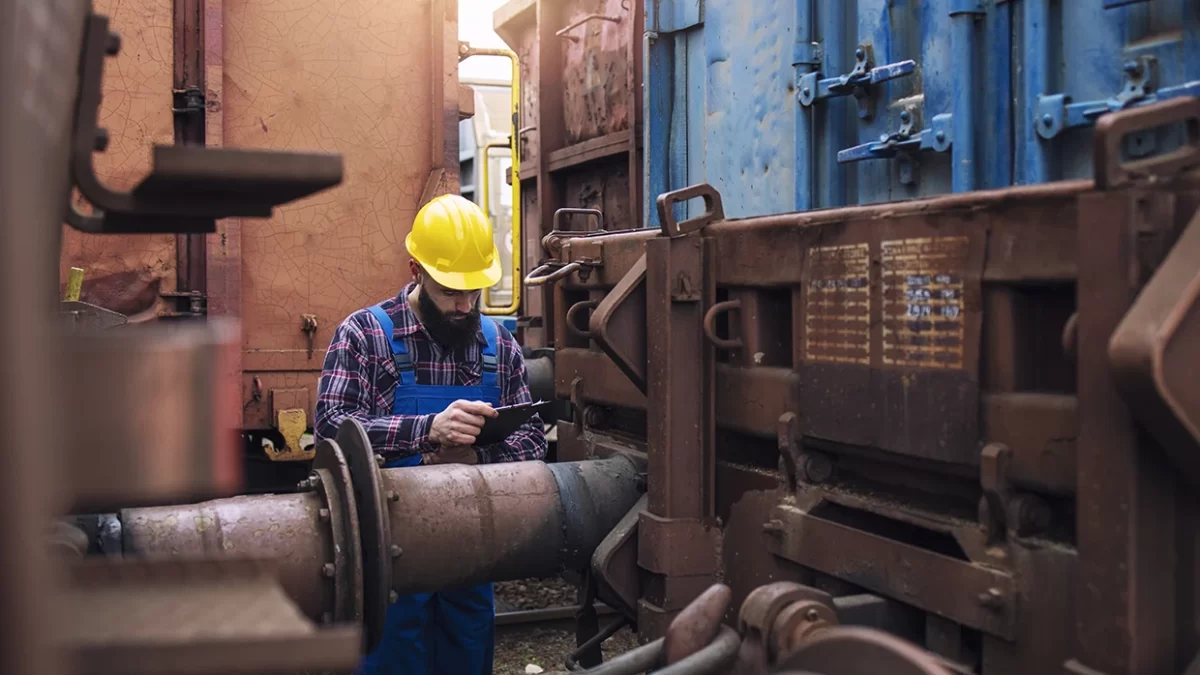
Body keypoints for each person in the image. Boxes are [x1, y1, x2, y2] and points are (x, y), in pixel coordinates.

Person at [314, 193, 548, 675]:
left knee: (467, 654)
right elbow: (332, 428)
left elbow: (532, 444)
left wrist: (476, 461)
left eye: (473, 292)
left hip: (473, 551)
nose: (465, 306)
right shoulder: (365, 336)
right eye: (450, 291)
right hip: (388, 559)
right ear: (416, 269)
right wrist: (426, 431)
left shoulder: (499, 344)